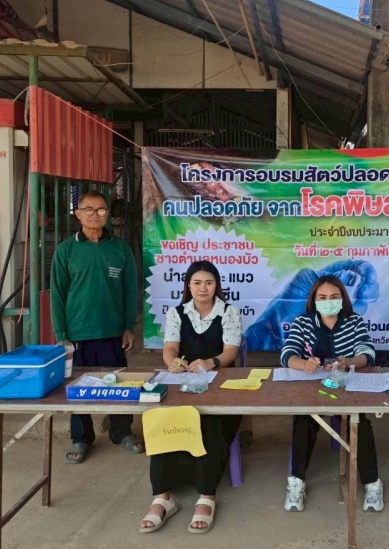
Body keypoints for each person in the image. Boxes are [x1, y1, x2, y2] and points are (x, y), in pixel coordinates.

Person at [140, 260, 243, 534]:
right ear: (188, 285)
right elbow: (170, 348)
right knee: (162, 418)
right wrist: (172, 362)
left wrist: (212, 363)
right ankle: (162, 497)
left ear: (216, 286)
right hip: (183, 385)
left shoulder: (229, 312)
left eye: (209, 283)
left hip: (222, 387)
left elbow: (231, 351)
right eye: (197, 283)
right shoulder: (177, 313)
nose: (203, 288)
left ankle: (207, 496)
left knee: (209, 419)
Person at [50, 190, 143, 464]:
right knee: (77, 388)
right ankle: (81, 438)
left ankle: (121, 432)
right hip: (77, 333)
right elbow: (57, 294)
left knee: (119, 385)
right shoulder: (66, 250)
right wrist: (61, 335)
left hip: (113, 332)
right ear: (78, 214)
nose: (95, 214)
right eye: (88, 210)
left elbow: (130, 290)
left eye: (101, 209)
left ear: (107, 214)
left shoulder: (120, 249)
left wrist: (129, 326)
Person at [280, 275, 384, 513]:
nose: (329, 302)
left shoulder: (354, 321)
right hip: (310, 390)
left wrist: (350, 362)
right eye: (323, 297)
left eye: (334, 297)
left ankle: (372, 483)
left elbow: (368, 353)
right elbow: (287, 353)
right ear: (314, 300)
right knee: (303, 421)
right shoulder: (303, 322)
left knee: (359, 423)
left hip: (345, 389)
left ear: (342, 299)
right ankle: (296, 482)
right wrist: (303, 364)